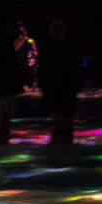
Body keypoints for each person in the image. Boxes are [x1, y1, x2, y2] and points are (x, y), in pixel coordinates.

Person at [38, 18, 79, 146]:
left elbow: (42, 68)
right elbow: (73, 67)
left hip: (52, 85)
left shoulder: (47, 48)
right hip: (66, 85)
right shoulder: (68, 47)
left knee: (56, 114)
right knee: (66, 114)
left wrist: (42, 84)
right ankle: (66, 140)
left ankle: (57, 139)